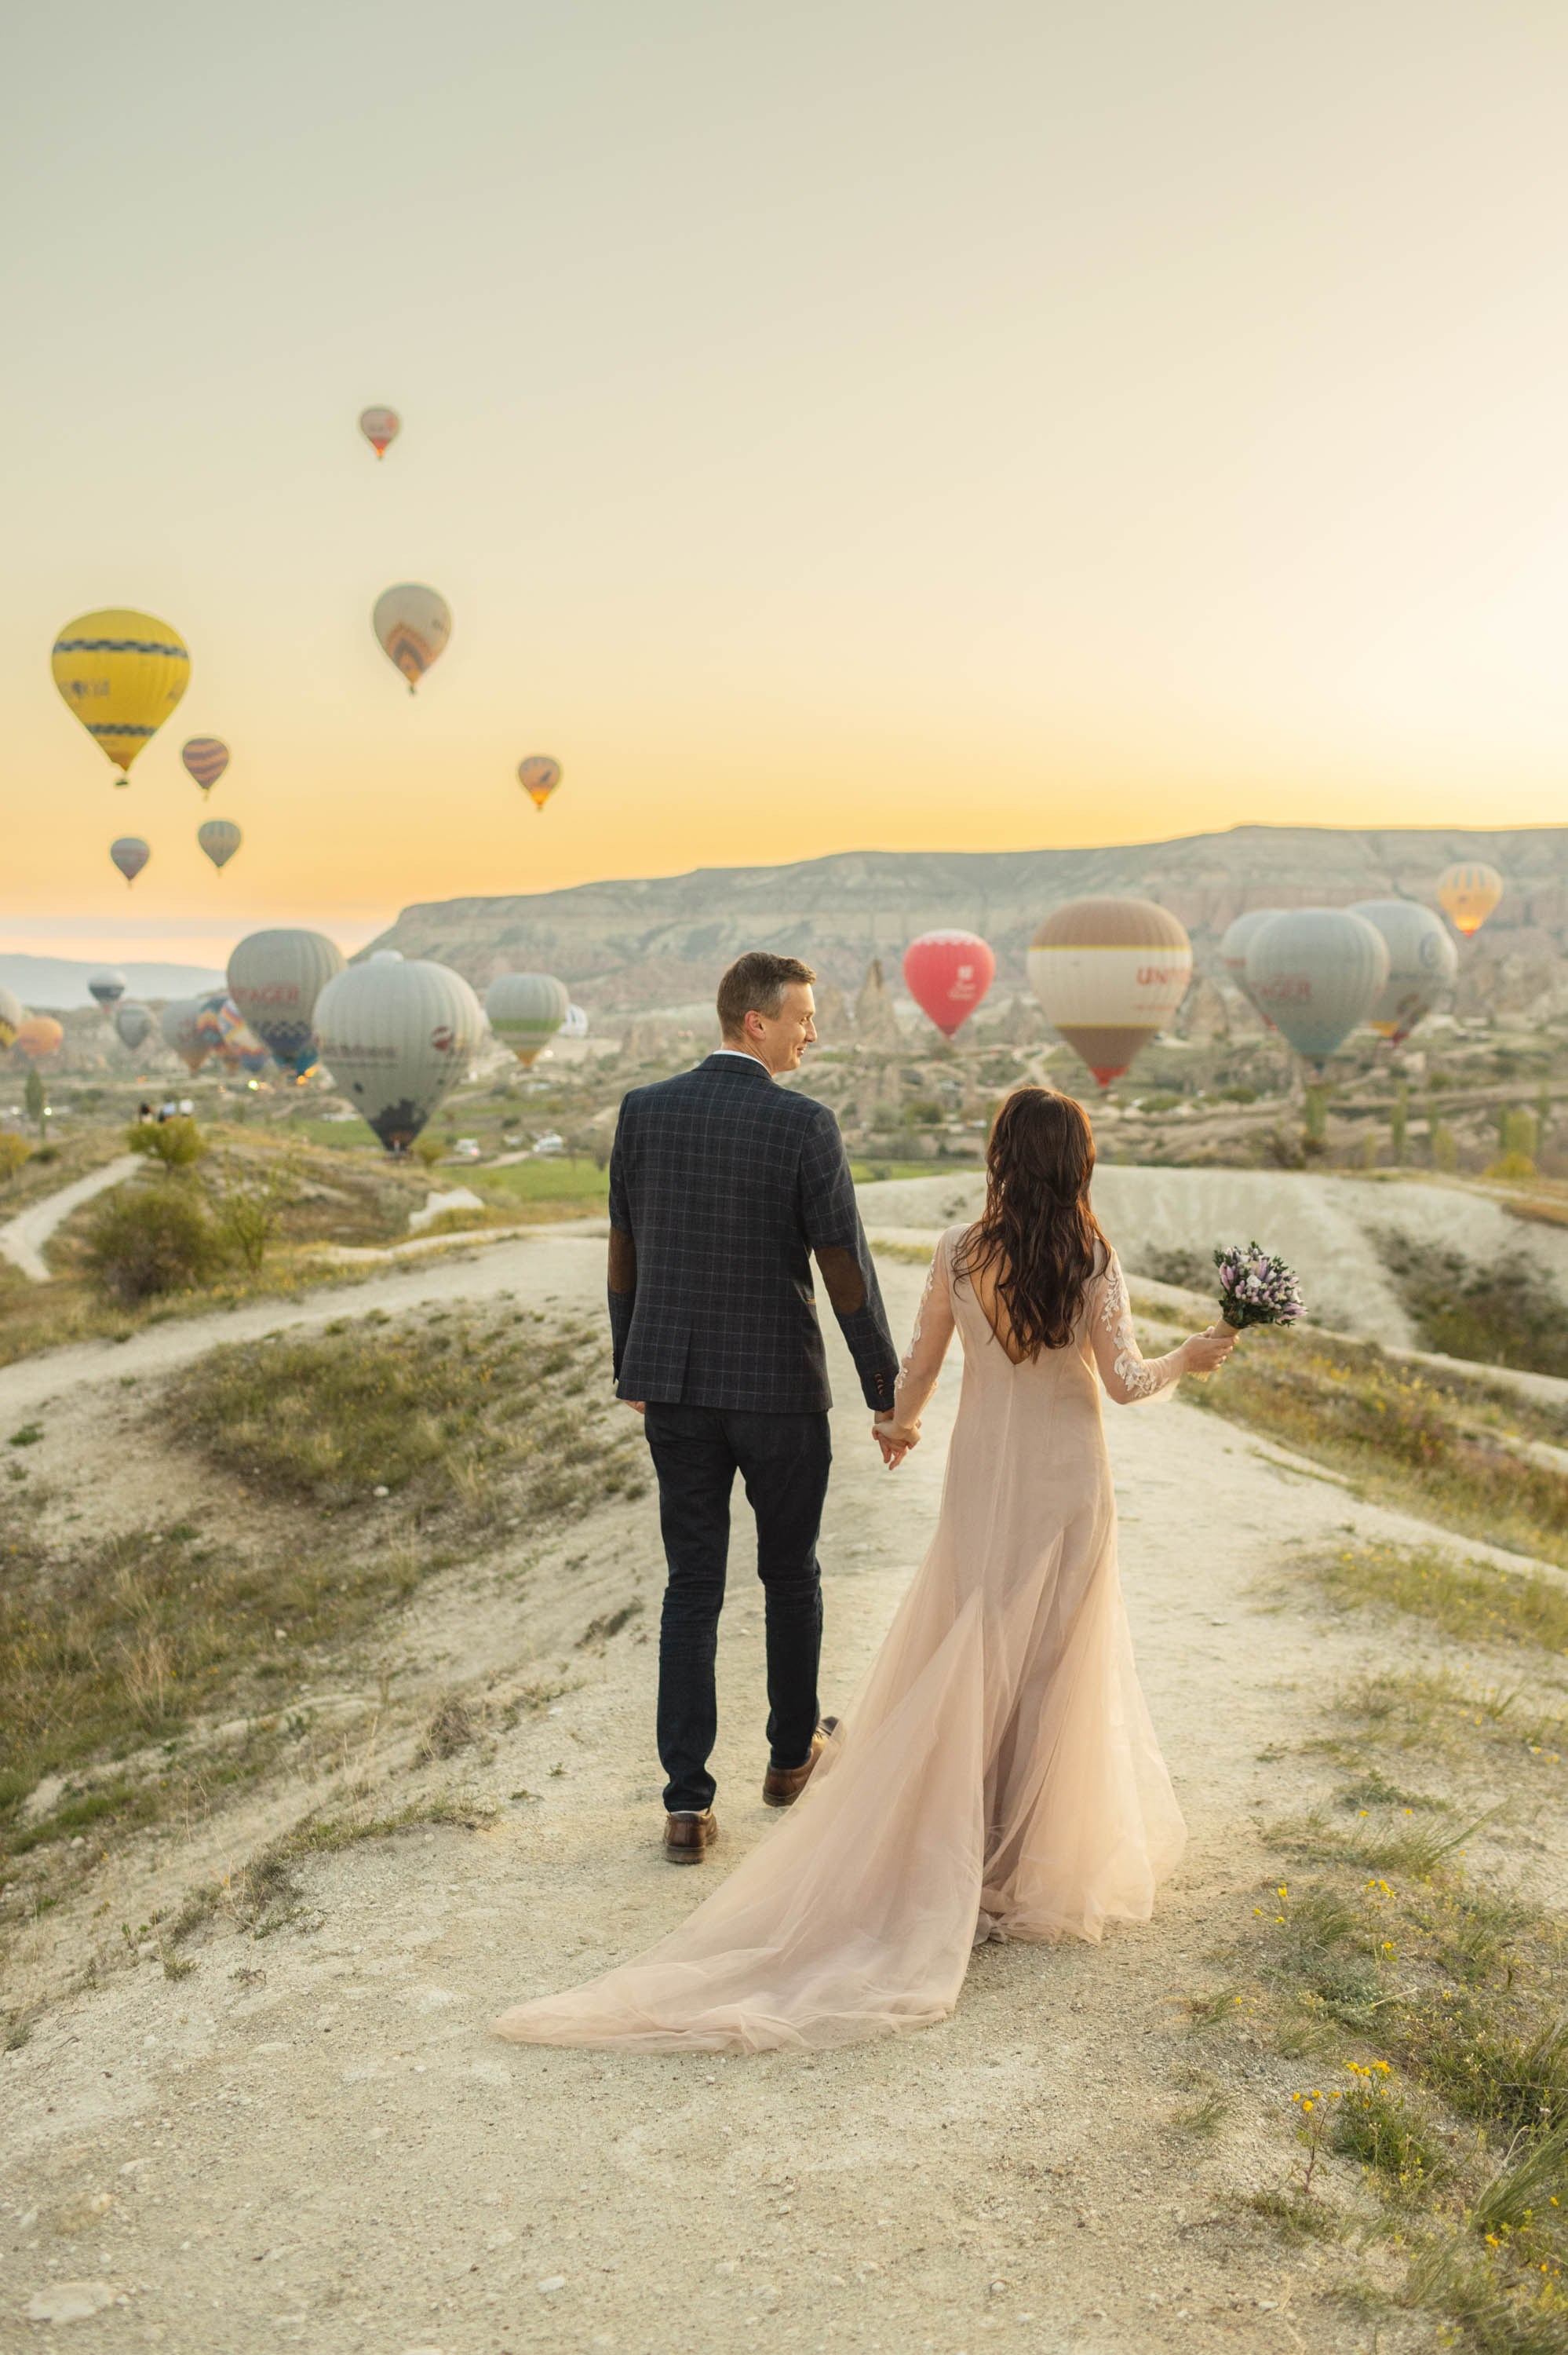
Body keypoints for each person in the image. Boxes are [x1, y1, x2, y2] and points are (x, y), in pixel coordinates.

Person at [494, 1087, 1236, 2054]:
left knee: (973, 1638)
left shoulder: (960, 1252)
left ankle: (952, 1843)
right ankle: (1026, 1852)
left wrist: (899, 1424)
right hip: (1067, 1483)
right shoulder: (1090, 1255)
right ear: (1078, 1161)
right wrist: (1195, 1353)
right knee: (1054, 1655)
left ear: (1003, 1155)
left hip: (981, 1478)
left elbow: (919, 1363)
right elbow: (1129, 1383)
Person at [596, 950, 899, 1864]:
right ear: (754, 1021)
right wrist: (884, 1388)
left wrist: (632, 1363)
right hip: (776, 1389)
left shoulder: (644, 1113)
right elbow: (842, 1263)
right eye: (803, 1016)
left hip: (677, 1389)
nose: (814, 1031)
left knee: (693, 1586)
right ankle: (787, 1756)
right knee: (789, 1573)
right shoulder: (802, 1125)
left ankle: (686, 1803)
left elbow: (623, 1250)